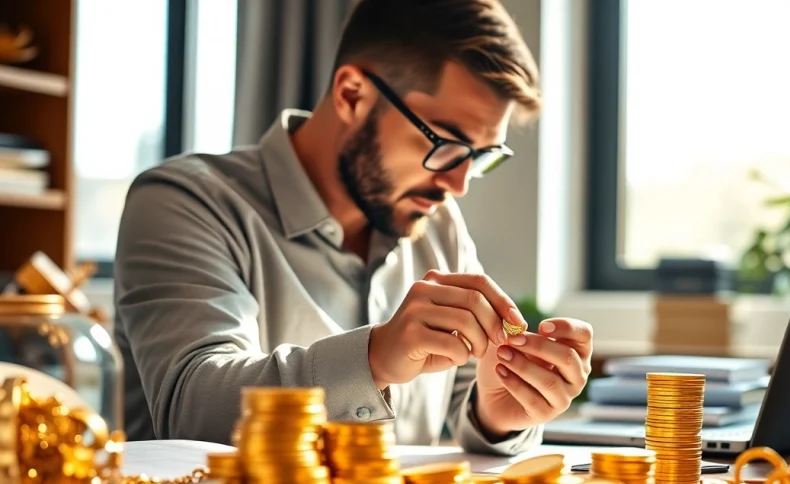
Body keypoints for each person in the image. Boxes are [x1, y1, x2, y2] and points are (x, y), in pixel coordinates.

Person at [112, 0, 593, 454]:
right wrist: (373, 358)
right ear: (352, 94)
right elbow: (189, 409)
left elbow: (471, 404)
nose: (459, 183)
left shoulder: (438, 224)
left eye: (481, 157)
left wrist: (499, 413)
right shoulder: (185, 202)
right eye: (446, 144)